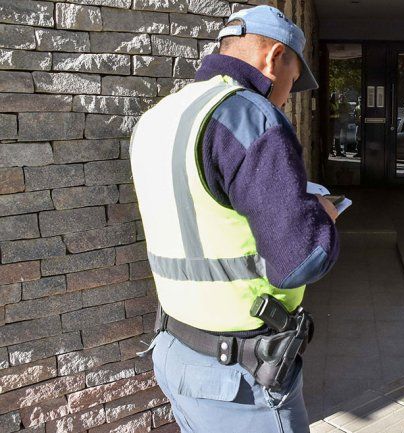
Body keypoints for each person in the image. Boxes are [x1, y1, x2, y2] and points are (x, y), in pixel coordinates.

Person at [129, 6, 339, 433]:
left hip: (174, 352)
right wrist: (323, 215)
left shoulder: (158, 117)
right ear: (274, 58)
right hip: (240, 377)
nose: (287, 96)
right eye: (293, 80)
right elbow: (301, 260)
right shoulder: (249, 116)